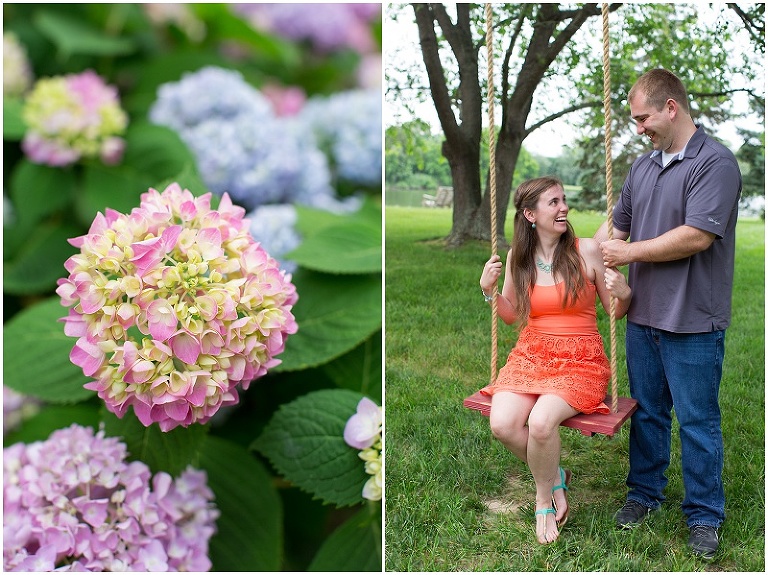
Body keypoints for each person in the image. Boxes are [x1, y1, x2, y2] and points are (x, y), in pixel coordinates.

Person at [594, 68, 742, 560]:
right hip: (644, 317)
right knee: (649, 413)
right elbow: (614, 229)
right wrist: (562, 248)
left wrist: (627, 254)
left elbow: (696, 236)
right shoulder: (642, 168)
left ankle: (703, 514)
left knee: (698, 420)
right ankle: (644, 494)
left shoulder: (714, 163)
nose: (639, 127)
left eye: (644, 118)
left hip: (694, 320)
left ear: (671, 108)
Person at [479, 175, 631, 545]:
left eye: (564, 200)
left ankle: (543, 498)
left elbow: (615, 311)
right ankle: (555, 475)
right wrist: (489, 292)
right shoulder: (519, 257)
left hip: (580, 359)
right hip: (532, 354)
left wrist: (624, 294)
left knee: (542, 422)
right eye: (553, 202)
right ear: (530, 214)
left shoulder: (588, 250)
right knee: (501, 424)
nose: (563, 207)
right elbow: (513, 314)